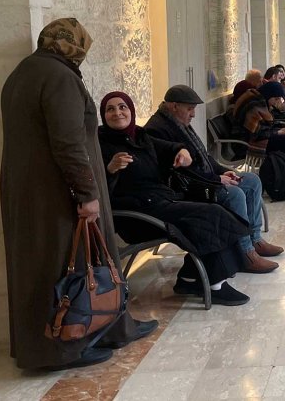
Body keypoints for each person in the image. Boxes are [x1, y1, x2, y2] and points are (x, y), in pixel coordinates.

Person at [0, 18, 156, 371]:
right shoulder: (59, 77)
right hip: (56, 193)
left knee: (40, 267)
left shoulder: (23, 72)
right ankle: (67, 346)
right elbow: (68, 141)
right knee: (68, 265)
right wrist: (87, 193)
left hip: (30, 191)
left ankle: (83, 337)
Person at [98, 92, 251, 306]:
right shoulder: (100, 145)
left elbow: (166, 147)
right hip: (137, 216)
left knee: (211, 209)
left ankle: (189, 278)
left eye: (122, 107)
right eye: (110, 109)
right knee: (209, 215)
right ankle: (216, 284)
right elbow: (96, 188)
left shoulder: (140, 136)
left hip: (160, 203)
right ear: (103, 115)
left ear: (131, 111)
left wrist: (181, 150)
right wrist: (110, 169)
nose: (117, 113)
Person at [145, 85, 283, 272]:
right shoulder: (157, 129)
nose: (193, 114)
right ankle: (245, 253)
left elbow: (203, 157)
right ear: (174, 106)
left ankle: (255, 239)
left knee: (251, 180)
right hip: (187, 188)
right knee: (234, 194)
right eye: (190, 108)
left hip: (204, 178)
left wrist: (223, 171)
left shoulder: (179, 123)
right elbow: (181, 172)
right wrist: (216, 180)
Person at [227, 80, 285, 189]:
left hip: (254, 138)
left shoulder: (257, 99)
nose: (275, 102)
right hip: (246, 144)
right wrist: (279, 132)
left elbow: (263, 127)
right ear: (268, 94)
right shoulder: (252, 104)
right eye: (275, 99)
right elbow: (257, 132)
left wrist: (281, 131)